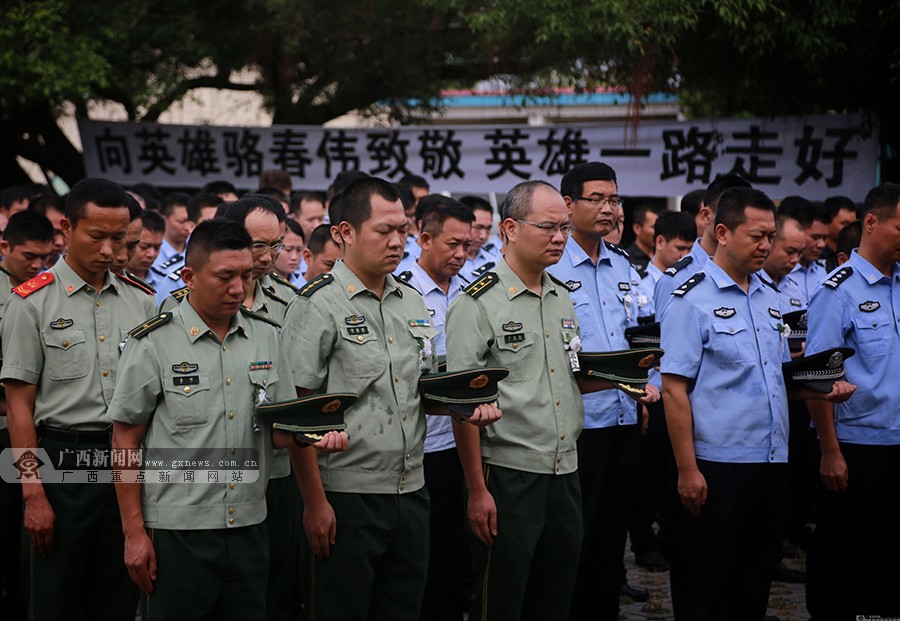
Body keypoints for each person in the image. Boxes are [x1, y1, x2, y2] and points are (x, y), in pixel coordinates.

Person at [282, 177, 499, 621]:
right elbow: (297, 414)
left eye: (402, 230)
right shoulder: (316, 306)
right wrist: (314, 503)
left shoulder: (410, 302)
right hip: (346, 495)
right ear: (344, 232)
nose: (397, 241)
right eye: (384, 231)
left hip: (411, 490)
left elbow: (423, 388)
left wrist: (466, 404)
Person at [107, 218, 342, 619]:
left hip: (250, 525)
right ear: (189, 276)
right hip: (179, 531)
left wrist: (314, 434)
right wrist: (133, 533)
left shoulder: (267, 336)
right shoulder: (153, 343)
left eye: (246, 275)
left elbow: (281, 431)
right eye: (225, 276)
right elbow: (125, 442)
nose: (238, 288)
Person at [660, 187, 854, 621]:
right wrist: (688, 470)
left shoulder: (770, 297)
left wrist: (820, 387)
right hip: (717, 466)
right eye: (756, 236)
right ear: (723, 232)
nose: (766, 245)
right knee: (709, 588)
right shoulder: (690, 299)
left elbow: (776, 380)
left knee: (753, 588)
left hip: (769, 462)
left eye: (771, 236)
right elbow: (674, 389)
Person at [447, 179, 617, 621]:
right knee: (501, 598)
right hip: (508, 473)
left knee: (553, 596)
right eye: (547, 227)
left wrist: (624, 380)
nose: (560, 238)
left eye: (563, 228)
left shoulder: (561, 296)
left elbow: (566, 376)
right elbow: (462, 406)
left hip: (564, 469)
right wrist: (477, 490)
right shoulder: (477, 303)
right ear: (509, 228)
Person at [1, 178, 157, 621]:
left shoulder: (142, 303)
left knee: (119, 595)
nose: (109, 250)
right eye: (97, 236)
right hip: (60, 460)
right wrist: (33, 494)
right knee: (54, 595)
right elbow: (19, 406)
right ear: (66, 229)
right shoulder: (31, 303)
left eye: (120, 239)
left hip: (127, 460)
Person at [545, 163, 661, 619]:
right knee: (576, 539)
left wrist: (645, 386)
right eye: (596, 199)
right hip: (577, 424)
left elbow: (642, 336)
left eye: (613, 199)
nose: (608, 209)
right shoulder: (551, 264)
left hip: (623, 419)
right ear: (568, 205)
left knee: (612, 542)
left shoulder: (623, 266)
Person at [805, 183, 900, 619]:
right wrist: (829, 450)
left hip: (896, 441)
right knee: (845, 558)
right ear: (871, 222)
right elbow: (817, 376)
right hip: (856, 447)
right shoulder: (836, 290)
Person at [395, 196, 474, 621]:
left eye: (468, 246)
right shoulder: (401, 292)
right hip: (418, 447)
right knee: (417, 559)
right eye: (452, 244)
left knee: (456, 554)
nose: (461, 255)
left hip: (465, 444)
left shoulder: (474, 291)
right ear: (424, 238)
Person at [0, 211, 54, 620]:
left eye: (45, 257)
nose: (37, 265)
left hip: (32, 431)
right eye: (29, 256)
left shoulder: (44, 295)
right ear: (5, 248)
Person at [654, 174, 752, 319]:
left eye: (743, 218)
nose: (737, 224)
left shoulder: (756, 279)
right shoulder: (676, 280)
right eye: (730, 214)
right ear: (706, 215)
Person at [780, 201, 829, 307]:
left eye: (824, 238)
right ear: (798, 233)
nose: (821, 244)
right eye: (815, 237)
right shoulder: (779, 271)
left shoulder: (823, 272)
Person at [760, 215, 807, 314]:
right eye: (790, 251)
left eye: (800, 253)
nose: (796, 260)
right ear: (770, 243)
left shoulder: (794, 289)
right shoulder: (749, 283)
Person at [149, 192, 192, 279]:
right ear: (164, 220)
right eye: (181, 222)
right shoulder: (152, 252)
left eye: (190, 221)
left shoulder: (194, 249)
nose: (187, 227)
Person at [459, 195, 501, 281]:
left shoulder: (497, 260)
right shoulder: (445, 262)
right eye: (478, 227)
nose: (483, 236)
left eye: (488, 228)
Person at [126, 210, 165, 288]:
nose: (152, 254)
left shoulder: (164, 282)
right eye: (144, 247)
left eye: (157, 248)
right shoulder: (107, 280)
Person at [820, 195, 857, 272]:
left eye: (853, 224)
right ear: (827, 223)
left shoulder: (856, 253)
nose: (851, 228)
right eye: (844, 223)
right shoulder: (816, 254)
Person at [625, 202, 662, 272]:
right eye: (653, 227)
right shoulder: (626, 259)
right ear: (637, 229)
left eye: (659, 227)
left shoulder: (663, 256)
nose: (657, 232)